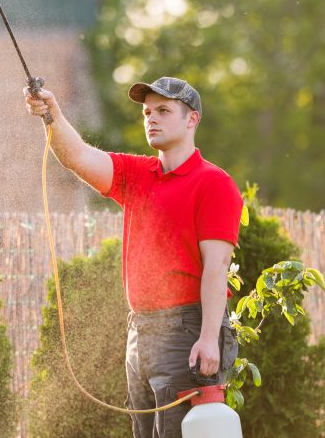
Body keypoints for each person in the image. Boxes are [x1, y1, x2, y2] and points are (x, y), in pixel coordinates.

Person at [25, 76, 242, 438]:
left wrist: (207, 339)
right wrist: (52, 116)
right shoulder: (137, 174)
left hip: (186, 332)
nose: (151, 119)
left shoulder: (214, 183)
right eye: (147, 112)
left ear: (192, 119)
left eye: (163, 111)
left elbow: (216, 269)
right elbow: (76, 156)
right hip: (139, 331)